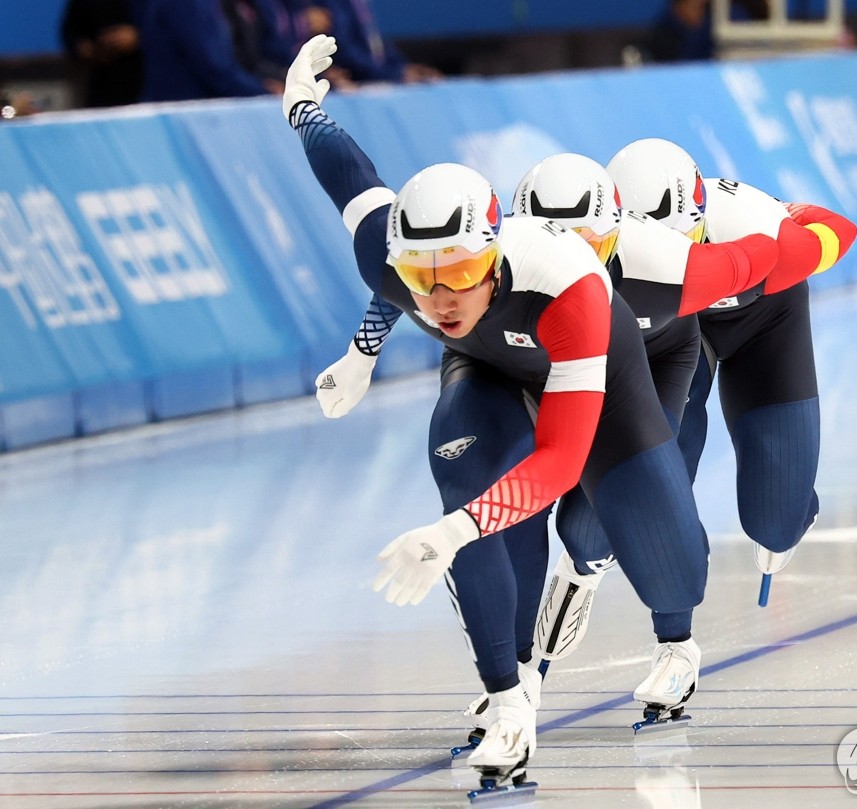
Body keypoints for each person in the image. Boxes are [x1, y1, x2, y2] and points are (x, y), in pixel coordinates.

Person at [283, 36, 709, 791]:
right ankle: (509, 698)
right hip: (489, 367)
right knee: (472, 482)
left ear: (494, 253)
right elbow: (342, 166)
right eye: (423, 277)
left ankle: (624, 598)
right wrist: (299, 101)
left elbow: (561, 459)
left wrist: (450, 533)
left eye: (461, 274)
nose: (442, 298)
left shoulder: (570, 285)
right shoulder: (388, 254)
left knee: (648, 550)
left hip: (595, 370)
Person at [607, 138, 856, 604]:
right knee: (660, 471)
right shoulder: (606, 249)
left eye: (684, 248)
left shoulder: (760, 229)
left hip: (765, 323)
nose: (678, 268)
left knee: (775, 525)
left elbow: (840, 230)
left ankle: (791, 510)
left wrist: (788, 211)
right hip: (677, 334)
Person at [139, 0, 278, 101]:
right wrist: (262, 91)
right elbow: (213, 67)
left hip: (189, 111)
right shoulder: (190, 4)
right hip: (185, 113)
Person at [315, 0, 441, 83]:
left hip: (375, 75)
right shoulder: (331, 4)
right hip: (354, 80)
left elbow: (373, 39)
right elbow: (342, 47)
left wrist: (402, 67)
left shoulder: (358, 4)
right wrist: (392, 74)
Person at [59, 0, 144, 107]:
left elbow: (165, 28)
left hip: (146, 83)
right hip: (101, 83)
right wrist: (82, 47)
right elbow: (70, 31)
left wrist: (140, 37)